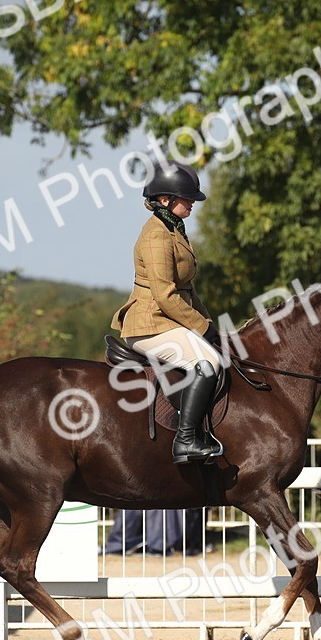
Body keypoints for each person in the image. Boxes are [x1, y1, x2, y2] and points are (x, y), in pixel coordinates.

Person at [112, 160, 224, 464]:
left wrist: (210, 325)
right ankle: (185, 440)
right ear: (165, 200)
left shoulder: (172, 229)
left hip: (166, 320)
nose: (192, 204)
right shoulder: (156, 237)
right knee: (207, 361)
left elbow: (188, 290)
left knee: (219, 351)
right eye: (187, 199)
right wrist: (202, 329)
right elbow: (165, 295)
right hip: (149, 323)